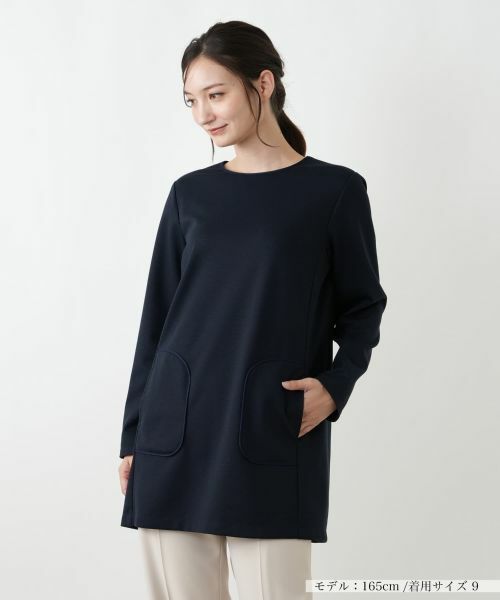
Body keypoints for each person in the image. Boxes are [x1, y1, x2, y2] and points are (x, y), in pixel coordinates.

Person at [117, 19, 388, 600]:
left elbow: (364, 306)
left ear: (262, 84)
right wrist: (133, 436)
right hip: (174, 438)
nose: (203, 114)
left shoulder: (334, 192)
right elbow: (157, 322)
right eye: (192, 100)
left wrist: (336, 385)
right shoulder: (189, 194)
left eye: (215, 94)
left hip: (269, 428)